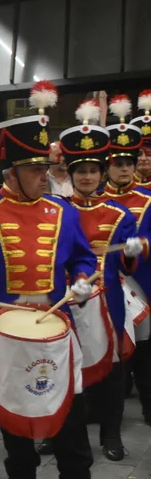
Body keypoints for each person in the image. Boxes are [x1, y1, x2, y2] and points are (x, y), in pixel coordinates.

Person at [0, 90, 119, 479]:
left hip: (56, 325)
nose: (45, 176)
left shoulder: (63, 211)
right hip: (6, 326)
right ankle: (21, 475)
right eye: (35, 169)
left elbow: (81, 257)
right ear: (12, 172)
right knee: (13, 401)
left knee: (71, 404)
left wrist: (81, 280)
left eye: (44, 168)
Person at [58, 111, 140, 462]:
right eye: (81, 171)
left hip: (108, 303)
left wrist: (133, 253)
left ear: (102, 173)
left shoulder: (120, 215)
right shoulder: (57, 210)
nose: (88, 177)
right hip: (67, 299)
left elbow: (128, 266)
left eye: (93, 171)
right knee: (66, 366)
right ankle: (62, 433)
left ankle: (111, 434)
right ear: (71, 174)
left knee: (112, 369)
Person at [99, 105, 151, 426]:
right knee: (110, 352)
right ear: (107, 167)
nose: (124, 169)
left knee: (145, 352)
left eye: (129, 163)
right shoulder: (94, 199)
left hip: (142, 285)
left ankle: (148, 406)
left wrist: (143, 245)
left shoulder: (148, 199)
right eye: (118, 164)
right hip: (104, 285)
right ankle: (107, 413)